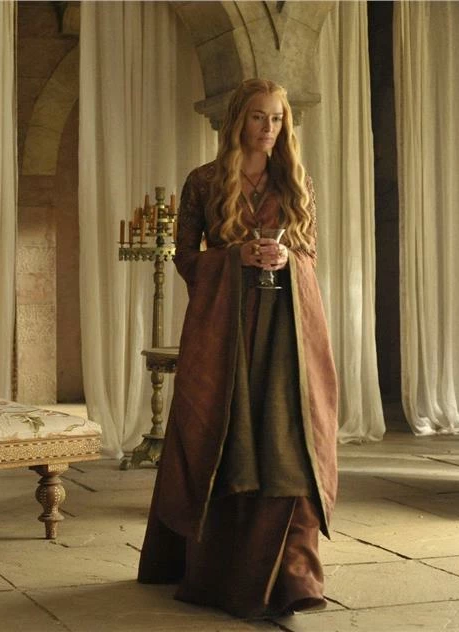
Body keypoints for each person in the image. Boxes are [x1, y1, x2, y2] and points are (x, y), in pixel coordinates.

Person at [137, 78, 339, 618]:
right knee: (220, 435)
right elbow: (184, 257)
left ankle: (292, 576)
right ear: (237, 120)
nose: (268, 127)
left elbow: (310, 253)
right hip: (223, 331)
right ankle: (219, 573)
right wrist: (235, 258)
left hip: (285, 331)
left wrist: (287, 260)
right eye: (258, 116)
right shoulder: (204, 181)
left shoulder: (296, 181)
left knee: (288, 436)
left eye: (277, 118)